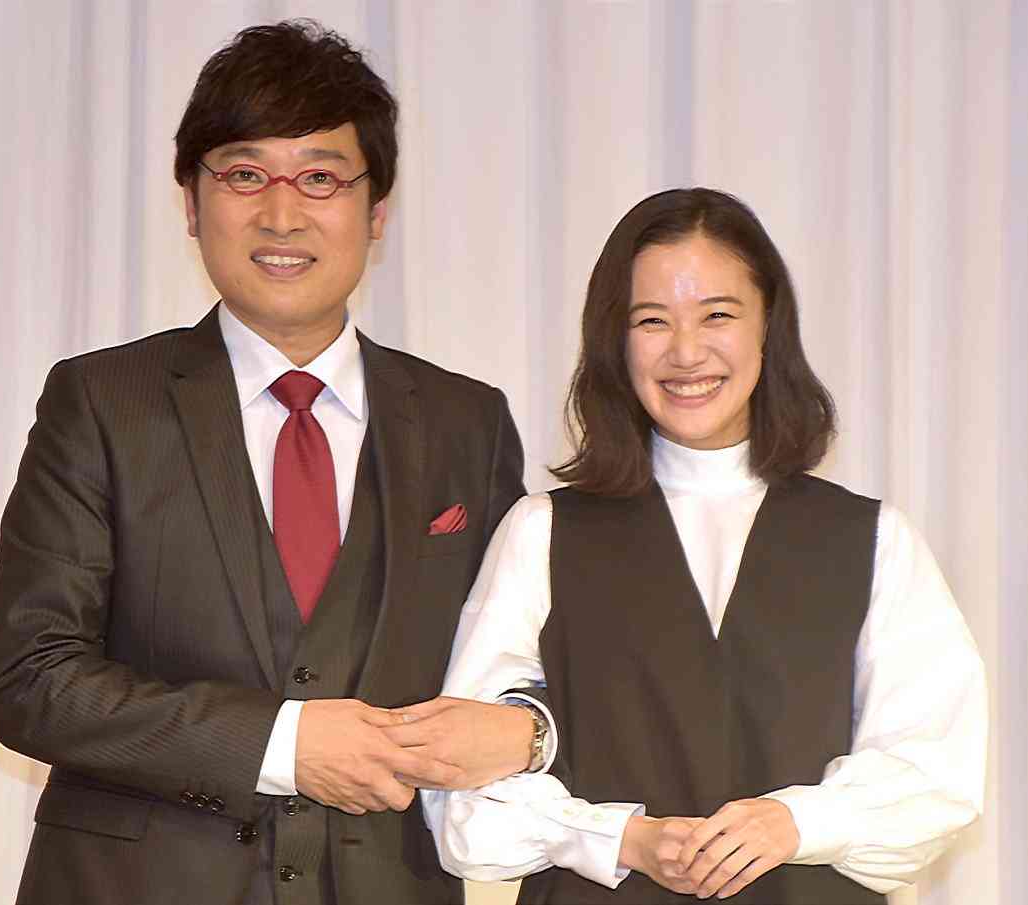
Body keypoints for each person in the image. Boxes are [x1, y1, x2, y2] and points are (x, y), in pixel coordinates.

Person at [0, 21, 539, 905]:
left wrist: (531, 732)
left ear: (377, 211)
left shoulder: (467, 422)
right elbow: (32, 677)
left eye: (320, 178)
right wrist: (284, 745)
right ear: (192, 202)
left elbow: (522, 665)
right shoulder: (100, 401)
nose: (282, 216)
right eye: (245, 175)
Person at [421, 188, 988, 903]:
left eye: (717, 314)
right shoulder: (542, 532)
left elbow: (936, 775)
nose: (686, 352)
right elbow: (463, 795)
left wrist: (794, 822)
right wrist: (623, 839)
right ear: (616, 341)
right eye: (651, 320)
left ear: (768, 326)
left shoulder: (875, 540)